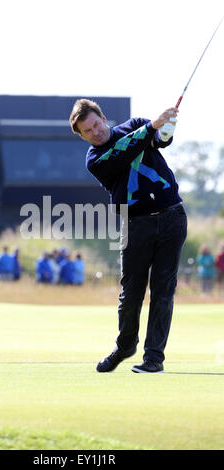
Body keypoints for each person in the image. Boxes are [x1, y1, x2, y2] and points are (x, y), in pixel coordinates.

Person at [69, 99, 187, 374]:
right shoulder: (95, 160)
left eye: (97, 124)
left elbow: (158, 140)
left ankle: (153, 358)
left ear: (103, 117)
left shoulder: (134, 126)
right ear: (82, 136)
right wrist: (152, 128)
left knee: (163, 290)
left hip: (172, 216)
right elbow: (124, 152)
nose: (96, 131)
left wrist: (165, 129)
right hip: (134, 225)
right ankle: (125, 345)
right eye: (88, 130)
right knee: (131, 293)